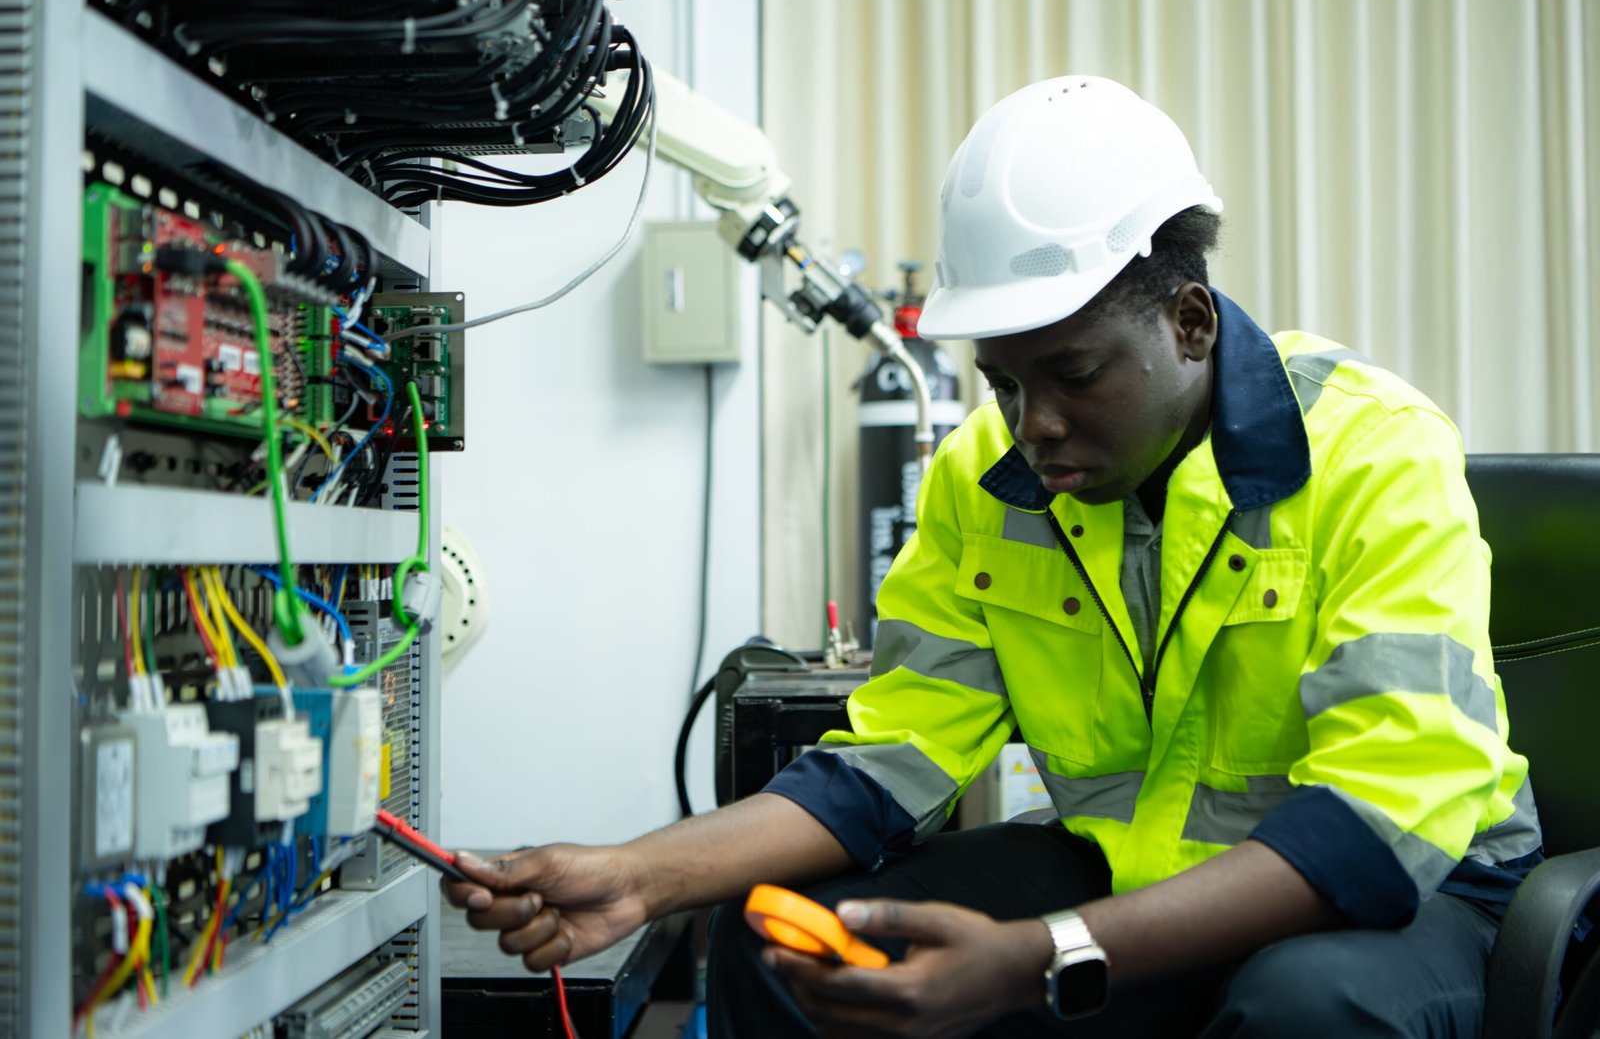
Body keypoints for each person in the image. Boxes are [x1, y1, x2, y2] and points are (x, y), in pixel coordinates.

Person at [443, 75, 1540, 1037]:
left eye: (1073, 373)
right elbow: (891, 761)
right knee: (793, 947)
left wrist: (1038, 954)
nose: (1033, 423)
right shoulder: (986, 476)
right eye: (1003, 382)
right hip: (1132, 873)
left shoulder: (1370, 447)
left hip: (1409, 895)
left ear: (1190, 323)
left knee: (1309, 1006)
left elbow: (1377, 824)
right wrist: (636, 876)